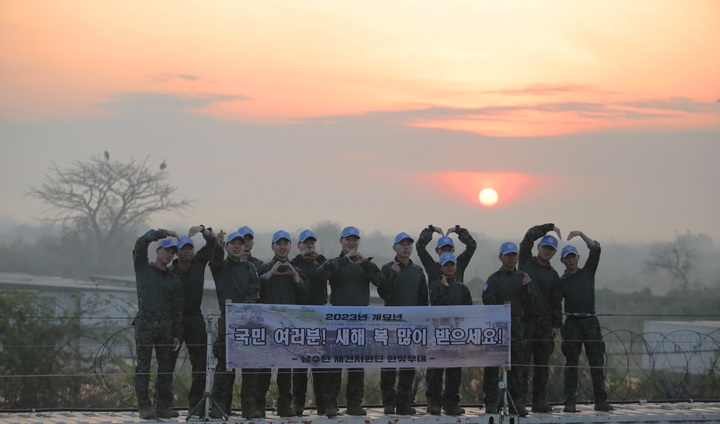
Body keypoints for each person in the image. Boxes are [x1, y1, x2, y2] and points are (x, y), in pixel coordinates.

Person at [316, 226, 392, 417]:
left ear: (358, 242)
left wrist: (365, 263)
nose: (351, 243)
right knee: (334, 365)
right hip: (337, 321)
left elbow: (382, 282)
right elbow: (320, 276)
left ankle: (354, 404)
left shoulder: (365, 264)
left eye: (355, 240)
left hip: (360, 320)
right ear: (341, 241)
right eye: (348, 239)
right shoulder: (335, 262)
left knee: (357, 364)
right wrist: (344, 261)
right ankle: (331, 405)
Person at [208, 230, 262, 419]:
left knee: (250, 368)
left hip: (248, 322)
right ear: (226, 246)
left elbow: (254, 292)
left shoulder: (250, 268)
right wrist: (216, 245)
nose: (237, 246)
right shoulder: (220, 267)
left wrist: (241, 310)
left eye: (240, 243)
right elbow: (214, 260)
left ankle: (248, 407)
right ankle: (219, 406)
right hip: (227, 322)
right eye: (233, 243)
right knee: (224, 368)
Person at [255, 230, 309, 417]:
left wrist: (295, 278)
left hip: (289, 327)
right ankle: (258, 405)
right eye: (279, 243)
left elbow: (305, 298)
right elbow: (254, 290)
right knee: (264, 368)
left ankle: (285, 404)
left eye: (286, 244)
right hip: (267, 325)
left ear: (290, 247)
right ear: (273, 246)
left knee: (286, 368)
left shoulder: (297, 271)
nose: (282, 247)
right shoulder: (263, 268)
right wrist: (269, 274)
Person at [559, 231, 614, 413]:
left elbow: (596, 248)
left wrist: (581, 234)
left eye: (573, 257)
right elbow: (554, 304)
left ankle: (600, 400)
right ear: (563, 261)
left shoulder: (588, 272)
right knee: (572, 364)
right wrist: (557, 325)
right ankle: (570, 402)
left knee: (596, 361)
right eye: (567, 258)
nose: (571, 261)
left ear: (578, 258)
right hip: (572, 322)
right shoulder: (561, 281)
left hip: (590, 320)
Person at [132, 229, 183, 419]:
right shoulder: (143, 268)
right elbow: (141, 243)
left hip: (166, 327)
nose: (169, 255)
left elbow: (178, 309)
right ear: (158, 251)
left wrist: (177, 333)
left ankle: (162, 406)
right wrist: (163, 233)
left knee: (166, 367)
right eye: (166, 250)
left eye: (172, 252)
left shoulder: (174, 280)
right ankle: (144, 406)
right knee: (143, 366)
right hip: (145, 323)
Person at [482, 242, 534, 417]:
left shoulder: (523, 278)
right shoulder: (494, 279)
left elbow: (531, 302)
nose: (511, 258)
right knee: (492, 365)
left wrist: (527, 287)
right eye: (508, 255)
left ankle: (517, 402)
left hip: (517, 325)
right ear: (501, 257)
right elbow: (487, 301)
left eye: (514, 255)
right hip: (497, 326)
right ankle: (490, 401)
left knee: (517, 365)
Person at [378, 232, 428, 416]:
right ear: (394, 247)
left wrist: (422, 324)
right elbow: (385, 294)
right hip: (391, 325)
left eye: (409, 244)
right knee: (389, 365)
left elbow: (423, 299)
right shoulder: (386, 268)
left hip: (412, 326)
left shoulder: (417, 271)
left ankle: (404, 403)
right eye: (402, 244)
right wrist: (393, 276)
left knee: (408, 365)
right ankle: (389, 403)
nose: (406, 247)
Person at [169, 225, 216, 414]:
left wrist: (202, 230)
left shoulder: (198, 263)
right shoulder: (169, 272)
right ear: (177, 252)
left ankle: (196, 405)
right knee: (167, 363)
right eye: (183, 248)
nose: (187, 251)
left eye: (190, 248)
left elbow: (212, 243)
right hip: (174, 321)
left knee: (200, 363)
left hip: (194, 318)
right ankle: (163, 404)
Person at [518, 223, 563, 413]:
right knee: (522, 364)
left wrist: (556, 324)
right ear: (539, 247)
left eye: (551, 249)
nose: (547, 251)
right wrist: (549, 227)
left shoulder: (553, 275)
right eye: (545, 247)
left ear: (554, 253)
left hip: (545, 324)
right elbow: (528, 236)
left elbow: (556, 302)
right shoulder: (526, 261)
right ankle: (519, 402)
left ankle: (538, 401)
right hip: (524, 321)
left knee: (542, 365)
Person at [426, 252, 472, 416]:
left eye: (452, 264)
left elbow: (469, 310)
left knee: (454, 371)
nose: (449, 267)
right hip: (437, 335)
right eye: (446, 265)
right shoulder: (434, 286)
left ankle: (452, 403)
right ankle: (434, 402)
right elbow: (436, 304)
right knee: (435, 371)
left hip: (456, 335)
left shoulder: (462, 288)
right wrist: (445, 289)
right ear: (441, 268)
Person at [290, 229, 329, 416]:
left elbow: (332, 268)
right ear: (299, 246)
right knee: (299, 365)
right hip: (299, 317)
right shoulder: (293, 264)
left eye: (312, 243)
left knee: (319, 365)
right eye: (305, 243)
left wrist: (319, 256)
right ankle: (298, 404)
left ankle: (322, 405)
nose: (309, 247)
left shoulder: (322, 264)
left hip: (319, 317)